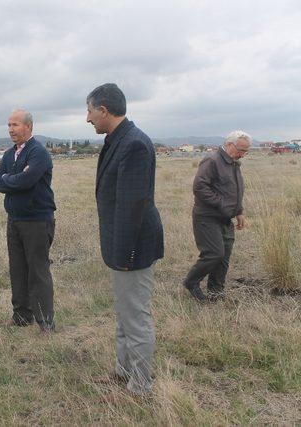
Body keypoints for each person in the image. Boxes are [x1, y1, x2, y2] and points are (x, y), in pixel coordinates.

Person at [87, 83, 164, 395]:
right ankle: (123, 372)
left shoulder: (133, 144)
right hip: (123, 247)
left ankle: (141, 385)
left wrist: (124, 257)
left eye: (90, 111)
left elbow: (132, 206)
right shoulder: (118, 139)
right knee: (124, 312)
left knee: (135, 317)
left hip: (132, 248)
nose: (88, 118)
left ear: (104, 110)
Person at [0, 109, 56, 333]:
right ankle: (21, 316)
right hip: (15, 220)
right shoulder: (10, 155)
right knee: (17, 270)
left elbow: (27, 181)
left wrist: (10, 179)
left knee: (38, 271)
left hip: (37, 221)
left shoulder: (38, 153)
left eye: (15, 125)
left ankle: (45, 322)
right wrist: (13, 179)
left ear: (28, 127)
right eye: (9, 125)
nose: (11, 129)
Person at [183, 131, 251, 302]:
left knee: (224, 256)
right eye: (240, 150)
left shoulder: (234, 163)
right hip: (207, 216)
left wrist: (239, 211)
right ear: (229, 144)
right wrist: (222, 204)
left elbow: (235, 190)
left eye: (245, 151)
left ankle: (216, 291)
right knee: (214, 253)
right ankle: (191, 282)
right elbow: (200, 187)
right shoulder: (212, 161)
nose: (242, 154)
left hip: (225, 217)